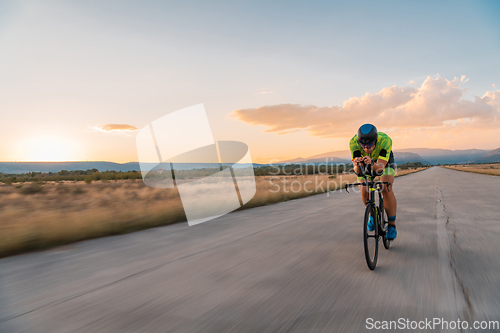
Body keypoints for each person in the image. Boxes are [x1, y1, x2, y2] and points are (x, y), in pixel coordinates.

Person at [350, 124, 398, 240]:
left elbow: (380, 168)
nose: (366, 148)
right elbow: (357, 172)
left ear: (375, 141)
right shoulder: (353, 143)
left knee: (385, 187)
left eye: (370, 144)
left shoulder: (385, 140)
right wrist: (357, 165)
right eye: (363, 145)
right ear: (358, 141)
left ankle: (391, 225)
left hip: (383, 162)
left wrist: (372, 163)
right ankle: (372, 213)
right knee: (364, 189)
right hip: (365, 162)